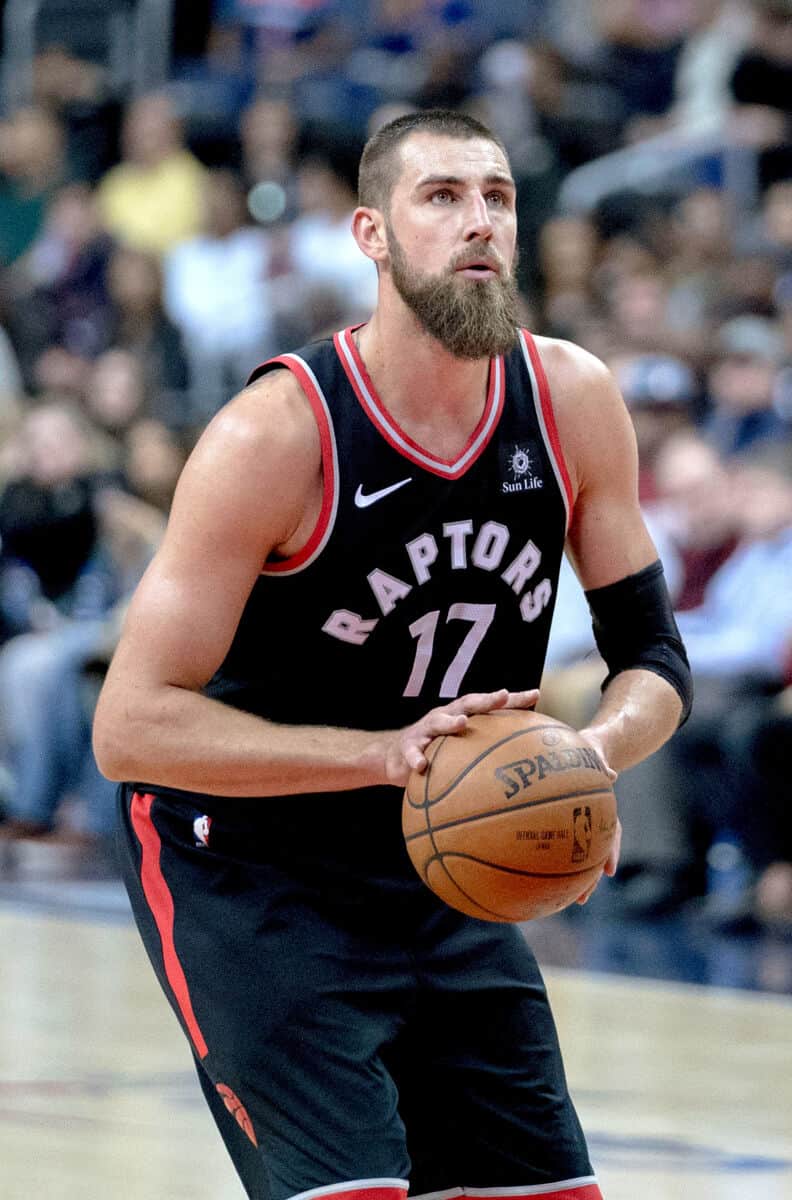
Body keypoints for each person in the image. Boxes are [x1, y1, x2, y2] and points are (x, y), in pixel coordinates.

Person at [92, 110, 692, 1200]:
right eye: (442, 197)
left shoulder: (570, 400)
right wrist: (381, 755)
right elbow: (130, 727)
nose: (479, 221)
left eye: (498, 197)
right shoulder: (277, 434)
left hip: (438, 857)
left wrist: (591, 754)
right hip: (249, 871)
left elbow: (653, 654)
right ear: (370, 234)